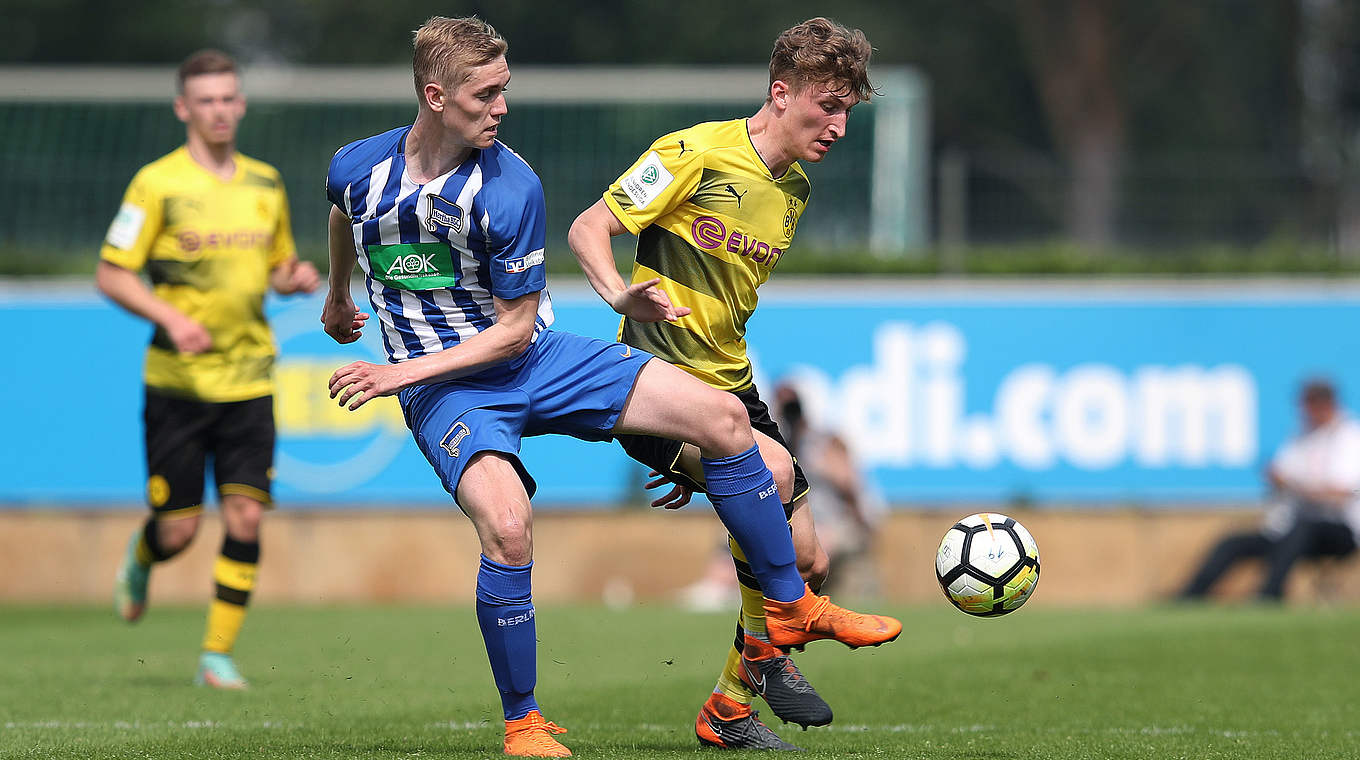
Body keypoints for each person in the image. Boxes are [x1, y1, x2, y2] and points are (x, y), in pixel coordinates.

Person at [319, 16, 900, 758]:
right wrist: (340, 298)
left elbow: (514, 332)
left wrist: (382, 359)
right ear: (435, 96)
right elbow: (346, 212)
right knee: (507, 524)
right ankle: (524, 724)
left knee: (728, 426)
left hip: (534, 355)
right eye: (487, 94)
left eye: (505, 91)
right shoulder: (358, 166)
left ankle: (781, 621)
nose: (503, 108)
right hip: (450, 387)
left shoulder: (510, 185)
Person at [567, 17, 883, 751]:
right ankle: (769, 657)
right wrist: (620, 295)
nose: (838, 126)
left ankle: (727, 708)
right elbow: (587, 227)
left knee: (810, 555)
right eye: (826, 107)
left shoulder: (793, 189)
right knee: (769, 476)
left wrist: (713, 471)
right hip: (654, 387)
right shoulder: (693, 153)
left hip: (734, 392)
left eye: (847, 112)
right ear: (781, 93)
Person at [99, 49, 320, 689]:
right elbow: (112, 273)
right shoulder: (156, 184)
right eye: (207, 100)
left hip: (249, 379)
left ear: (241, 104)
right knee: (180, 531)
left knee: (246, 516)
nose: (220, 110)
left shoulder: (264, 183)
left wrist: (295, 277)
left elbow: (278, 266)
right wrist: (171, 319)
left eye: (229, 98)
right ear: (183, 108)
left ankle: (216, 656)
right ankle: (145, 556)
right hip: (179, 385)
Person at [1180, 378, 1360, 601]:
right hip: (1293, 527)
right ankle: (1190, 596)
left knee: (1300, 530)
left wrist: (1298, 488)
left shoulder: (1351, 437)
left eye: (1308, 405)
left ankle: (1270, 594)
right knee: (1233, 542)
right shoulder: (1301, 437)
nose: (1304, 412)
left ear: (1325, 404)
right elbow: (1284, 474)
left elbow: (1344, 492)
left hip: (1341, 530)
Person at [772, 383, 883, 599]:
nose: (790, 416)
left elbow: (850, 487)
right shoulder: (777, 446)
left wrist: (824, 464)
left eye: (793, 408)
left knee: (818, 540)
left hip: (836, 525)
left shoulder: (825, 443)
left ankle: (795, 601)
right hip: (799, 525)